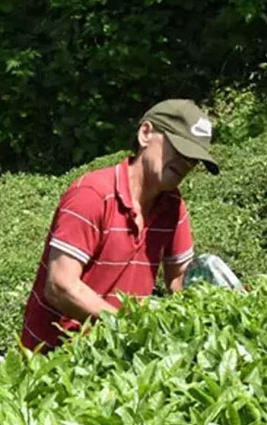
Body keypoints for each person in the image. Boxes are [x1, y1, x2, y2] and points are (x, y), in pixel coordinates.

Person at [20, 99, 220, 352]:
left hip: (117, 351)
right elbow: (60, 286)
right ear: (145, 134)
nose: (187, 163)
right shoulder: (92, 194)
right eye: (179, 149)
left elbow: (179, 280)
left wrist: (218, 301)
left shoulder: (172, 205)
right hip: (55, 357)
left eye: (194, 158)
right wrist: (131, 326)